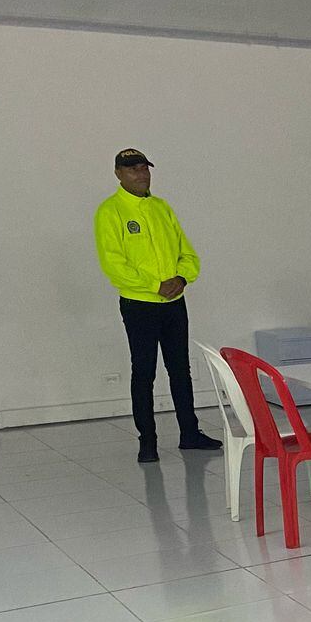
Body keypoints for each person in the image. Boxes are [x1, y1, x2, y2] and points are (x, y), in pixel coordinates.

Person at [93, 147, 222, 463]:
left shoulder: (162, 208)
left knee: (181, 369)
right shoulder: (110, 212)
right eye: (132, 169)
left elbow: (187, 253)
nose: (140, 173)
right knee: (144, 372)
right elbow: (114, 264)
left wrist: (182, 278)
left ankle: (189, 434)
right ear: (118, 174)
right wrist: (155, 285)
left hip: (174, 303)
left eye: (144, 168)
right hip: (140, 305)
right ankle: (147, 442)